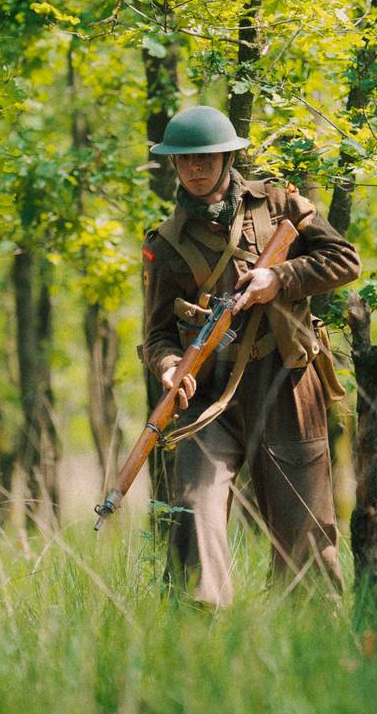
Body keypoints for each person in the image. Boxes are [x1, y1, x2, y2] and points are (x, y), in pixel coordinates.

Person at [142, 105, 360, 607]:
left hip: (285, 379)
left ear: (226, 158)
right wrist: (169, 366)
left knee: (303, 522)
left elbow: (344, 261)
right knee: (196, 505)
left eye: (206, 159)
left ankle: (315, 641)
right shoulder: (167, 243)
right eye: (185, 161)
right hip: (207, 391)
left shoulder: (280, 204)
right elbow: (157, 335)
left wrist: (277, 279)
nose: (195, 169)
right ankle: (200, 630)